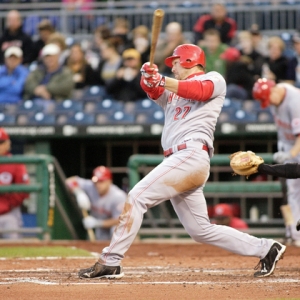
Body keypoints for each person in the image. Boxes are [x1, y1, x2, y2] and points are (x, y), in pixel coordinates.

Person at [78, 44, 286, 280]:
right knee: (200, 230)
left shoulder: (214, 79)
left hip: (191, 154)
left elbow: (197, 91)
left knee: (137, 196)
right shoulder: (173, 92)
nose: (173, 67)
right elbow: (153, 91)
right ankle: (267, 248)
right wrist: (148, 77)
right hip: (180, 160)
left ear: (188, 61)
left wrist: (162, 79)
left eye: (175, 62)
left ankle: (111, 261)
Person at [252, 78, 300, 245]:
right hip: (287, 144)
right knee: (290, 191)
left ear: (273, 90)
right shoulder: (274, 97)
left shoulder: (294, 101)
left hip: (296, 146)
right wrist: (283, 150)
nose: (269, 103)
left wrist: (290, 154)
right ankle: (294, 233)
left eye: (267, 98)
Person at [65, 166, 127, 240]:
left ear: (109, 181)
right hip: (100, 231)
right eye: (96, 182)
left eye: (101, 181)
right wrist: (78, 192)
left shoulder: (118, 196)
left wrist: (98, 223)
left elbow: (121, 220)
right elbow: (70, 181)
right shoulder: (91, 186)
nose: (98, 185)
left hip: (114, 229)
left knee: (116, 229)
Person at [0, 128, 30, 239]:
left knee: (14, 247)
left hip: (9, 214)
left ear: (8, 143)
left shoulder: (15, 162)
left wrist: (9, 204)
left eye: (1, 142)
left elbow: (24, 190)